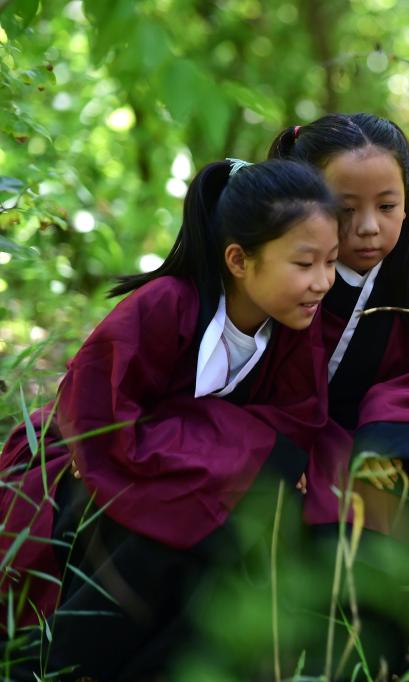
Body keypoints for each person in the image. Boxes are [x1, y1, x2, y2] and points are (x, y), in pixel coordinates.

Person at [0, 159, 347, 679]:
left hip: (196, 476)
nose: (323, 282)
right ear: (238, 259)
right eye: (304, 264)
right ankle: (61, 664)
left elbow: (291, 423)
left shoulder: (296, 326)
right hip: (94, 469)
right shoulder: (164, 305)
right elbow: (96, 418)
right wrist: (226, 449)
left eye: (331, 262)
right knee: (159, 535)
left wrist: (237, 456)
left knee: (253, 534)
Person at [267, 114, 409, 548]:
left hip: (405, 435)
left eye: (387, 206)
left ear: (408, 202)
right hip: (313, 436)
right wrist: (313, 445)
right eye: (346, 208)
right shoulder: (284, 277)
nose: (369, 227)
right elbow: (266, 384)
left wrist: (386, 428)